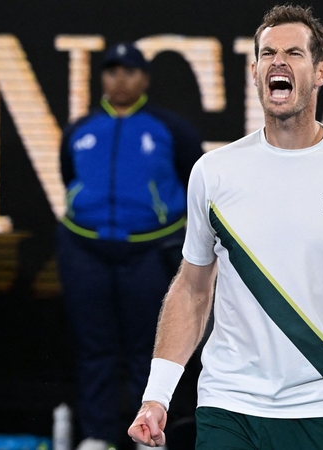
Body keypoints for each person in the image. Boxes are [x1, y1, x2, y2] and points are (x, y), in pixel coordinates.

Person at [127, 5, 323, 450]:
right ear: (255, 71)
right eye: (268, 53)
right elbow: (192, 290)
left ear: (320, 72)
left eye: (294, 53)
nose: (279, 61)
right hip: (228, 404)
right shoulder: (213, 173)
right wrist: (156, 397)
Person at [56, 41, 204, 450]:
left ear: (144, 78)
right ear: (102, 77)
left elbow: (195, 179)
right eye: (112, 70)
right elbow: (68, 175)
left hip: (150, 251)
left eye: (129, 70)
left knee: (151, 348)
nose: (119, 78)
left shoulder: (170, 128)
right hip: (85, 249)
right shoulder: (80, 129)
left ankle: (149, 434)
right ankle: (97, 435)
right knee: (94, 349)